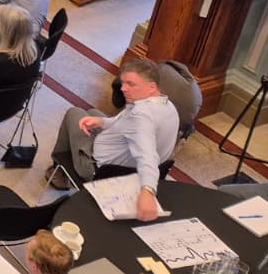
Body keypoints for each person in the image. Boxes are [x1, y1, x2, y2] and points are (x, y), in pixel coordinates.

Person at [49, 59, 178, 219]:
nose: (123, 89)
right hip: (130, 165)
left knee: (75, 113)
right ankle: (60, 171)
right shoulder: (168, 106)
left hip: (100, 170)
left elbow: (148, 156)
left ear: (151, 87)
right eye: (123, 83)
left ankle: (59, 174)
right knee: (93, 112)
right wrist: (103, 122)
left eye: (131, 84)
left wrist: (148, 191)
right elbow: (126, 123)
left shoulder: (141, 116)